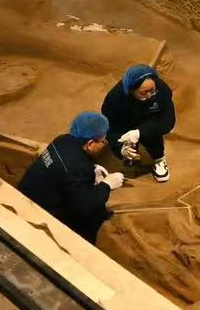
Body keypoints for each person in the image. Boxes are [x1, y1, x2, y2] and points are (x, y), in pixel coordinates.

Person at [17, 112, 124, 243]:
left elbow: (66, 168)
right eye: (103, 141)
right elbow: (86, 206)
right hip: (40, 215)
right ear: (90, 143)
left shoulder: (62, 139)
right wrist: (107, 184)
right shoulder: (77, 167)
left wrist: (92, 168)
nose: (104, 144)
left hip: (25, 196)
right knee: (92, 215)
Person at [100, 63, 176, 183]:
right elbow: (111, 126)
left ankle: (159, 158)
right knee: (123, 142)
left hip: (148, 119)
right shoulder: (115, 98)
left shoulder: (161, 90)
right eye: (144, 93)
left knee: (153, 134)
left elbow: (167, 120)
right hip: (125, 120)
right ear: (131, 90)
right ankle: (127, 153)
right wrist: (121, 148)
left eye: (152, 90)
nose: (150, 95)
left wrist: (140, 132)